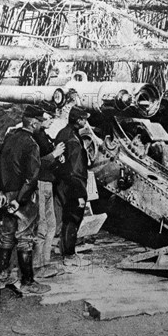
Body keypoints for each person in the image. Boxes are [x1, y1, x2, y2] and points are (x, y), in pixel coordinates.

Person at [0, 105, 51, 295]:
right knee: (25, 237)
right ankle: (27, 281)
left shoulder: (9, 138)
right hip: (21, 197)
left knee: (7, 235)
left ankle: (2, 276)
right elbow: (32, 177)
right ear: (34, 123)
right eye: (40, 123)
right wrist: (21, 198)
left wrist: (1, 191)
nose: (42, 126)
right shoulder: (31, 144)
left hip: (6, 195)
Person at [55, 105, 92, 268]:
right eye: (84, 119)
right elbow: (75, 170)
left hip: (62, 184)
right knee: (73, 218)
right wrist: (80, 193)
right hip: (73, 186)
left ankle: (66, 251)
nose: (86, 121)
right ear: (78, 120)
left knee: (66, 219)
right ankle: (69, 255)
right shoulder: (74, 141)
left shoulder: (63, 133)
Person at [32, 105, 65, 278]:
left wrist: (58, 156)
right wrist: (54, 154)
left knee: (50, 224)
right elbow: (35, 163)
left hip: (48, 182)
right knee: (42, 225)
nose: (52, 120)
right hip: (40, 183)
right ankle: (38, 266)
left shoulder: (43, 135)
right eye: (50, 117)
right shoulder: (35, 137)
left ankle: (45, 262)